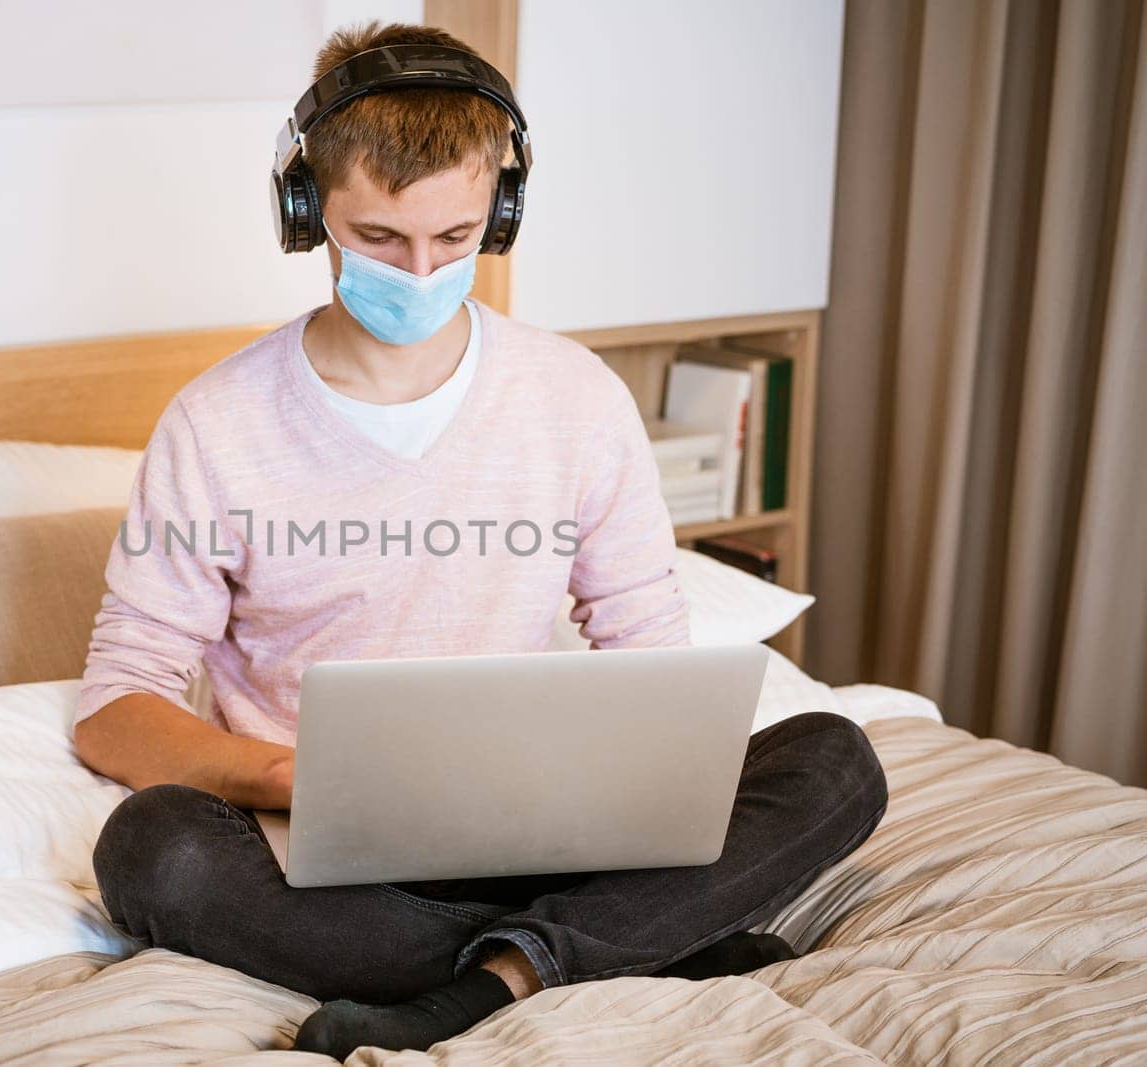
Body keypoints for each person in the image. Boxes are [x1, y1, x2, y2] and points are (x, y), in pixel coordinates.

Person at [72, 20, 888, 1060]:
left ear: (498, 213)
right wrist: (284, 774)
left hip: (556, 830)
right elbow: (114, 706)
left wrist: (633, 784)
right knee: (153, 849)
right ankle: (610, 949)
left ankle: (475, 981)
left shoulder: (576, 398)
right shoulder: (215, 422)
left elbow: (650, 654)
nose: (418, 271)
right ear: (304, 207)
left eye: (452, 239)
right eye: (378, 238)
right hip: (327, 856)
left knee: (836, 757)